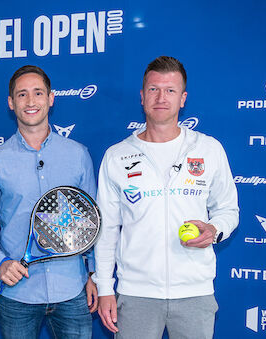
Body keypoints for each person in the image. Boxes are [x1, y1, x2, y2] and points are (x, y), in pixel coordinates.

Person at [93, 56, 239, 339]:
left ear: (183, 98)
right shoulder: (117, 156)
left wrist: (214, 229)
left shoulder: (208, 149)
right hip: (135, 294)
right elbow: (106, 229)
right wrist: (105, 288)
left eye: (170, 90)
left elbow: (228, 209)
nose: (161, 97)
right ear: (142, 96)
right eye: (153, 89)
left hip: (195, 292)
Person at [0, 65, 98, 339]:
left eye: (38, 93)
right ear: (10, 103)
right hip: (19, 294)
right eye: (22, 94)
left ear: (51, 98)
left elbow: (92, 221)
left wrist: (93, 274)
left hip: (72, 290)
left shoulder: (78, 155)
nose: (30, 102)